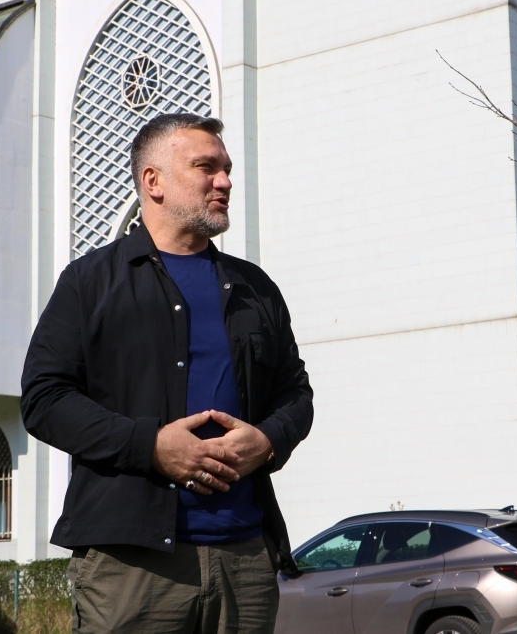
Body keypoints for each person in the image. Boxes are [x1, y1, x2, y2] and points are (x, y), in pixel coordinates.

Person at [20, 112, 313, 634]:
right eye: (206, 167)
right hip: (132, 568)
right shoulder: (90, 282)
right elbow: (44, 398)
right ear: (152, 181)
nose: (224, 182)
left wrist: (267, 441)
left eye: (226, 169)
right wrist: (150, 445)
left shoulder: (256, 289)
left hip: (245, 560)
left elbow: (296, 394)